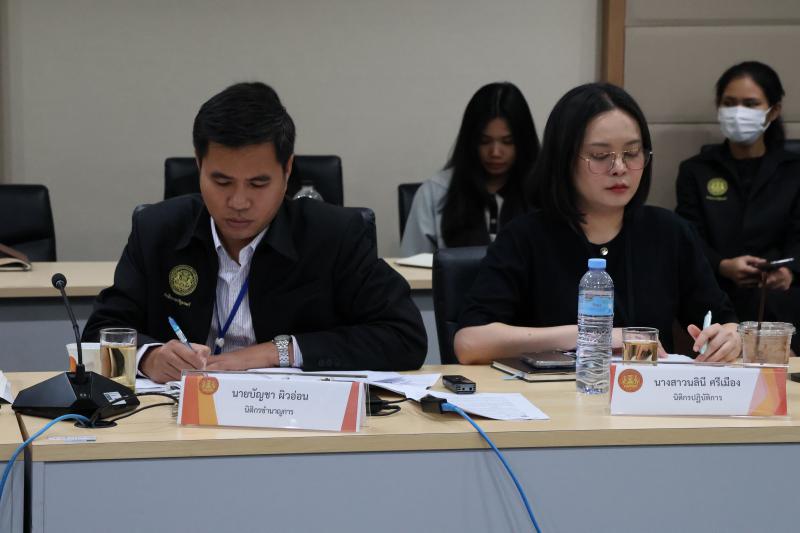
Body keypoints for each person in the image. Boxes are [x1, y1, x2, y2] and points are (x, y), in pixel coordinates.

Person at [82, 82, 427, 383]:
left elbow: (404, 336)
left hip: (293, 419)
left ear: (287, 170)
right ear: (199, 165)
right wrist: (149, 357)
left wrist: (276, 352)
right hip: (178, 416)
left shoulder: (334, 235)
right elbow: (99, 332)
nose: (239, 202)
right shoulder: (158, 230)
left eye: (258, 183)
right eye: (222, 182)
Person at [455, 83, 740, 364]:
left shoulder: (669, 232)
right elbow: (470, 343)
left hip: (644, 391)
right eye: (600, 156)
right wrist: (590, 336)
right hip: (555, 392)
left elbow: (722, 321)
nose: (620, 168)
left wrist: (730, 337)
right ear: (564, 159)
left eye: (632, 153)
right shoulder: (525, 236)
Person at [675, 61, 800, 354]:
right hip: (717, 288)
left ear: (774, 111)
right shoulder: (696, 170)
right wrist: (723, 265)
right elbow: (689, 235)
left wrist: (789, 272)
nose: (738, 112)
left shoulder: (794, 170)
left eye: (750, 104)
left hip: (780, 294)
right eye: (729, 103)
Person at [400, 82, 539, 255]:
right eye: (485, 141)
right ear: (470, 141)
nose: (495, 152)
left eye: (507, 142)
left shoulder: (543, 192)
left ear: (524, 142)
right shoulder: (435, 192)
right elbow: (412, 265)